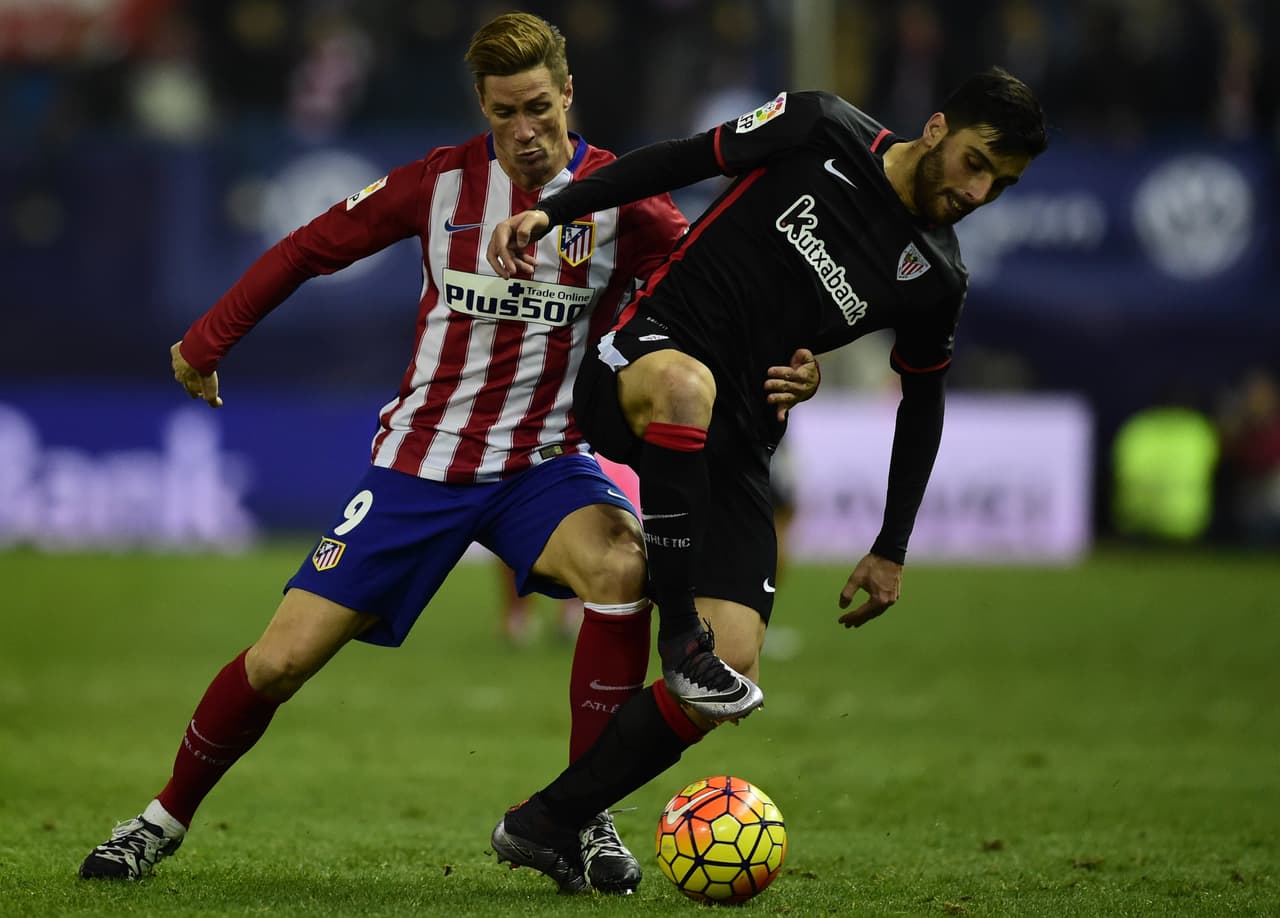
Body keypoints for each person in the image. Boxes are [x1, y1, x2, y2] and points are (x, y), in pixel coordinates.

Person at [76, 13, 820, 895]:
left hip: (543, 467)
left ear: (568, 93)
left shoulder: (622, 198)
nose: (527, 131)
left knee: (622, 568)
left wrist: (794, 358)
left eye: (540, 107)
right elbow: (312, 247)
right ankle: (158, 821)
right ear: (483, 106)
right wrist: (208, 338)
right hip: (418, 465)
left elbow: (724, 284)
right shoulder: (438, 185)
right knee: (279, 661)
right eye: (506, 113)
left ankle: (581, 823)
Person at [485, 66, 1048, 889]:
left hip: (739, 435)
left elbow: (921, 405)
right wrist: (555, 207)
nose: (979, 189)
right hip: (647, 360)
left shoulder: (937, 275)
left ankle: (548, 822)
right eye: (975, 161)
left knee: (735, 667)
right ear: (937, 129)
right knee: (687, 391)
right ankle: (677, 631)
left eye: (1001, 183)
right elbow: (678, 160)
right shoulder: (821, 127)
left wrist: (890, 546)